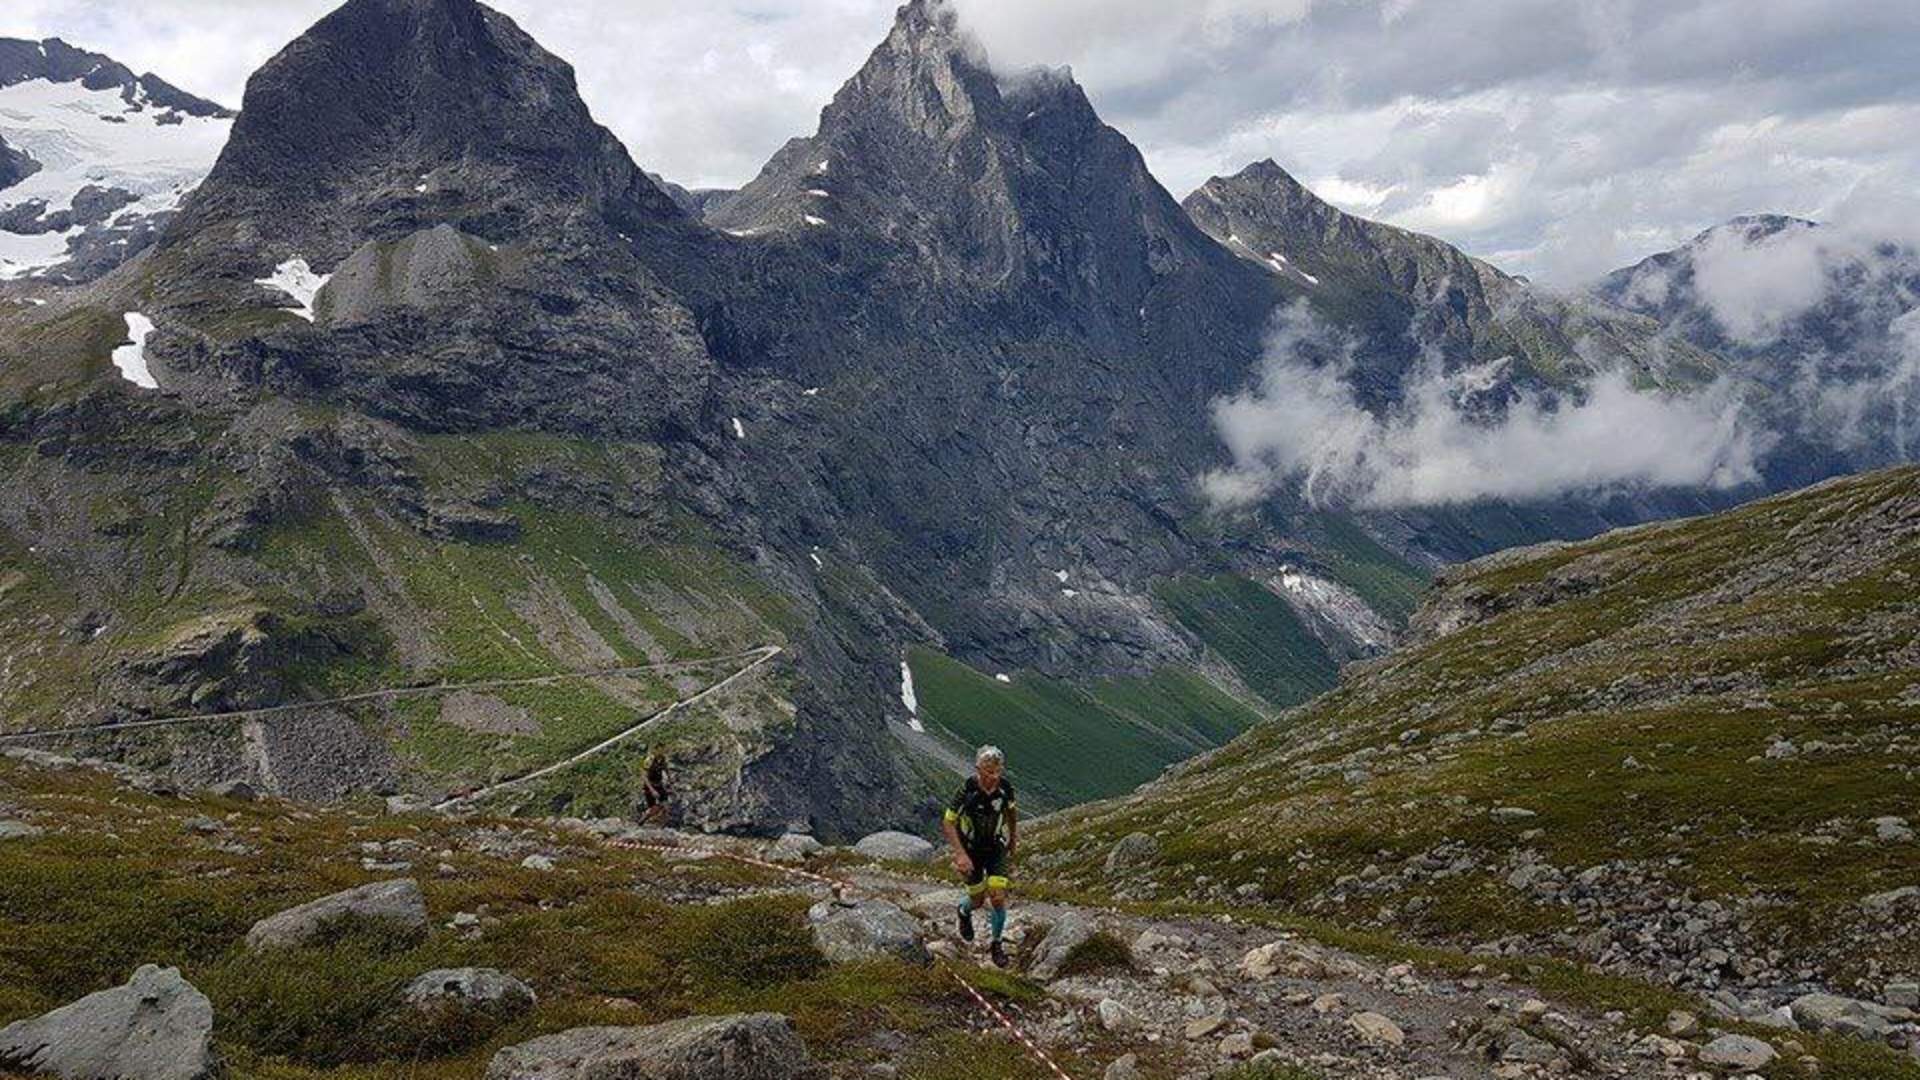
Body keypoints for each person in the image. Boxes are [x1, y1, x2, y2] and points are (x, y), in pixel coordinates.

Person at [942, 744, 1018, 967]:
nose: (994, 777)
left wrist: (1013, 839)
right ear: (978, 769)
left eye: (997, 771)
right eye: (988, 772)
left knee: (997, 896)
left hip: (996, 848)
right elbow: (948, 821)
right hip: (971, 850)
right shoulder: (966, 790)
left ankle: (996, 944)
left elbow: (1011, 813)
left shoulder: (1005, 788)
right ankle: (963, 911)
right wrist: (960, 854)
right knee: (976, 900)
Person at [640, 746, 671, 825]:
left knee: (666, 806)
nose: (661, 752)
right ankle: (642, 820)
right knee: (653, 808)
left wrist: (670, 778)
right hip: (650, 786)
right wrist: (652, 790)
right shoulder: (649, 760)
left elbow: (665, 768)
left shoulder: (663, 759)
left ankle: (664, 825)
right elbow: (644, 776)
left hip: (659, 784)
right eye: (659, 750)